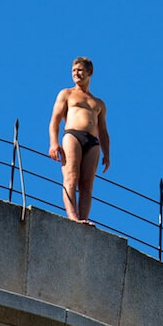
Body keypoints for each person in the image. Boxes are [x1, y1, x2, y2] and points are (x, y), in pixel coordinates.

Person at [48, 57, 110, 223]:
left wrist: (107, 154)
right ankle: (73, 217)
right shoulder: (67, 94)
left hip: (93, 142)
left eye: (80, 70)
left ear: (90, 72)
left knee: (87, 185)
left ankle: (83, 219)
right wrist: (53, 143)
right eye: (74, 70)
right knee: (71, 177)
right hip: (73, 136)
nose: (76, 73)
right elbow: (54, 120)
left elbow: (103, 131)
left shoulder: (99, 103)